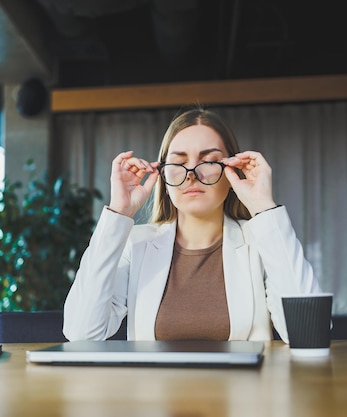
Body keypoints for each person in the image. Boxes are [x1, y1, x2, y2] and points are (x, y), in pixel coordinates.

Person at [63, 107, 322, 342]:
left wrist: (264, 207)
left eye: (208, 160)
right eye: (179, 162)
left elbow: (309, 332)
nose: (192, 175)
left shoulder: (260, 241)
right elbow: (82, 333)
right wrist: (119, 213)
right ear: (163, 174)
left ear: (232, 170)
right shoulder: (137, 244)